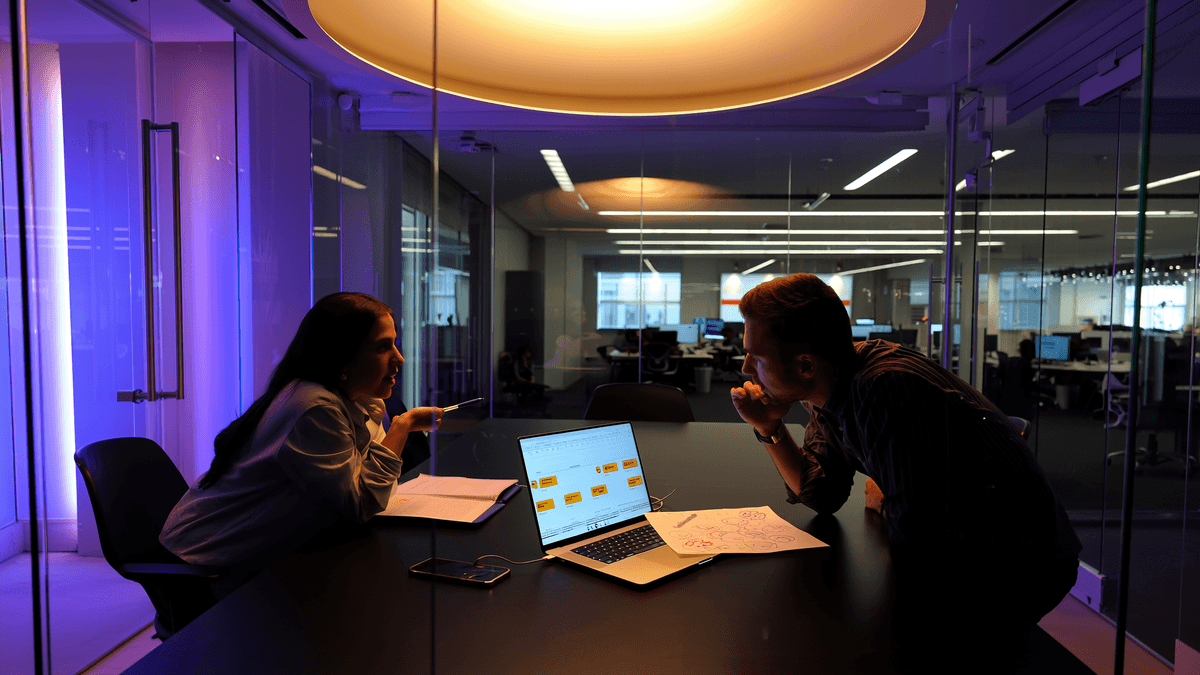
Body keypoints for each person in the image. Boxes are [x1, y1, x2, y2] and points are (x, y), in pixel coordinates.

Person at [729, 274, 1081, 664]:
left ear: (806, 365)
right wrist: (769, 428)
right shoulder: (831, 382)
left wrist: (888, 499)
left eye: (756, 358)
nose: (746, 369)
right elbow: (821, 493)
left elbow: (917, 539)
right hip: (962, 550)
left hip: (1014, 565)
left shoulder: (884, 389)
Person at [160, 292, 443, 574]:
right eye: (382, 347)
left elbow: (367, 487)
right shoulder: (315, 408)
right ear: (343, 356)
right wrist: (401, 426)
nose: (399, 358)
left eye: (394, 344)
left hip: (254, 558)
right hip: (204, 565)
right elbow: (362, 503)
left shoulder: (353, 400)